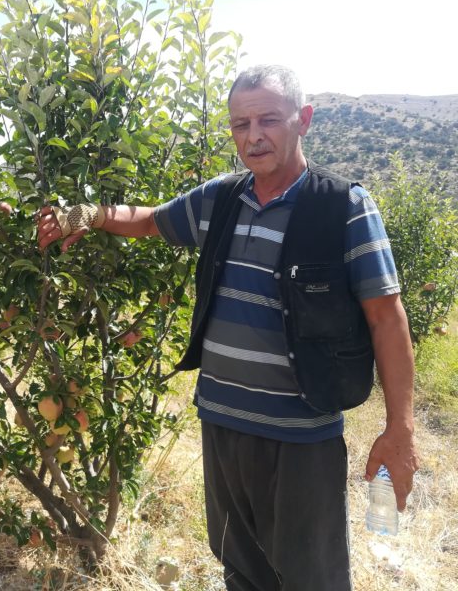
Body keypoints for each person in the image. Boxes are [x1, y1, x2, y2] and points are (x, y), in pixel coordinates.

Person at [36, 65, 420, 591]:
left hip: (300, 438)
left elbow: (387, 317)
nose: (253, 136)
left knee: (311, 577)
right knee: (240, 570)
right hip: (222, 423)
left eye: (268, 120)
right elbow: (150, 220)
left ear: (304, 120)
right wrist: (89, 214)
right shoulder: (221, 199)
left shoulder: (343, 207)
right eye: (241, 124)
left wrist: (400, 430)